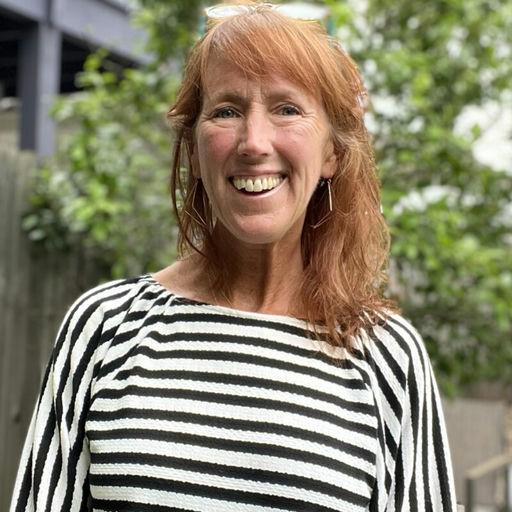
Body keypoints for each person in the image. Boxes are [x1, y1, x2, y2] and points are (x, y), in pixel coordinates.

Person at [10, 2, 457, 511]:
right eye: (226, 110)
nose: (253, 142)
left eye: (287, 109)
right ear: (195, 149)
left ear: (332, 152)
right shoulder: (105, 328)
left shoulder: (388, 361)